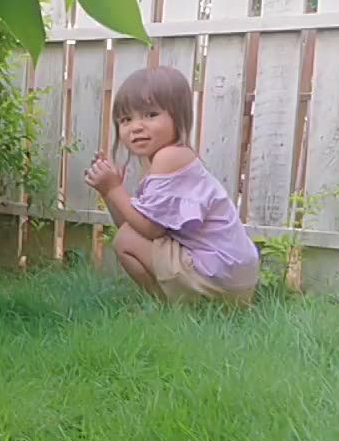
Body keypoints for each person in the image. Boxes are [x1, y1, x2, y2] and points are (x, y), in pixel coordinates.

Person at [83, 66, 260, 304]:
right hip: (232, 275)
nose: (136, 126)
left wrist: (115, 189)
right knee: (127, 236)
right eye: (126, 119)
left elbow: (149, 230)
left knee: (124, 241)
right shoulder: (168, 160)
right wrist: (108, 192)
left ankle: (167, 308)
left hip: (218, 273)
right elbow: (130, 225)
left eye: (150, 115)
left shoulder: (170, 157)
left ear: (179, 116)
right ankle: (186, 306)